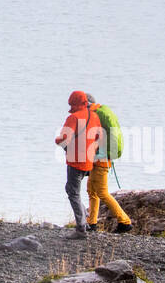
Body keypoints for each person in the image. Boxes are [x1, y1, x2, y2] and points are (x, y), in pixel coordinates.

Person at [55, 89, 99, 240]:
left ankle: (81, 229)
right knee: (73, 190)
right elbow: (98, 136)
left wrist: (58, 141)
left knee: (73, 192)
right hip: (89, 160)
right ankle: (85, 219)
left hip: (76, 160)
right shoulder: (93, 115)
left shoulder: (73, 117)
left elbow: (63, 139)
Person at [85, 95, 133, 233]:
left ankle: (125, 221)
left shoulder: (96, 118)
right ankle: (92, 223)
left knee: (102, 192)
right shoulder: (101, 114)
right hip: (99, 161)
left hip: (101, 161)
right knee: (92, 191)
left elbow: (96, 140)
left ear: (87, 105)